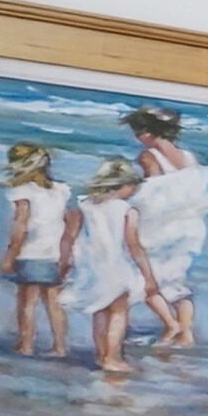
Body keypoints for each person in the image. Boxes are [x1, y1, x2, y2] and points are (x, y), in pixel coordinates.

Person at [57, 157, 165, 376]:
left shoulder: (83, 205)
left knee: (100, 310)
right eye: (132, 187)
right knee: (118, 312)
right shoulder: (127, 210)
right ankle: (112, 357)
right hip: (116, 266)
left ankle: (101, 354)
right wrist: (149, 276)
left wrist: (63, 264)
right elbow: (134, 247)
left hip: (90, 267)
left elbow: (68, 237)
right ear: (121, 185)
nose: (133, 191)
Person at [120, 104, 208, 347]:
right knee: (176, 279)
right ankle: (186, 334)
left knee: (142, 278)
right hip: (190, 228)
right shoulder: (189, 157)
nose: (137, 138)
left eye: (137, 132)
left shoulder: (149, 156)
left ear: (147, 133)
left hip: (161, 227)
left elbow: (151, 194)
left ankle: (169, 327)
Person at [0, 143, 73, 357]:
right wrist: (68, 251)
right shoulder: (60, 190)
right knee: (54, 301)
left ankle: (26, 344)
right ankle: (60, 346)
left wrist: (10, 255)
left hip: (31, 252)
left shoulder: (22, 191)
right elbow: (70, 221)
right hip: (54, 253)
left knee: (27, 301)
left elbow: (22, 225)